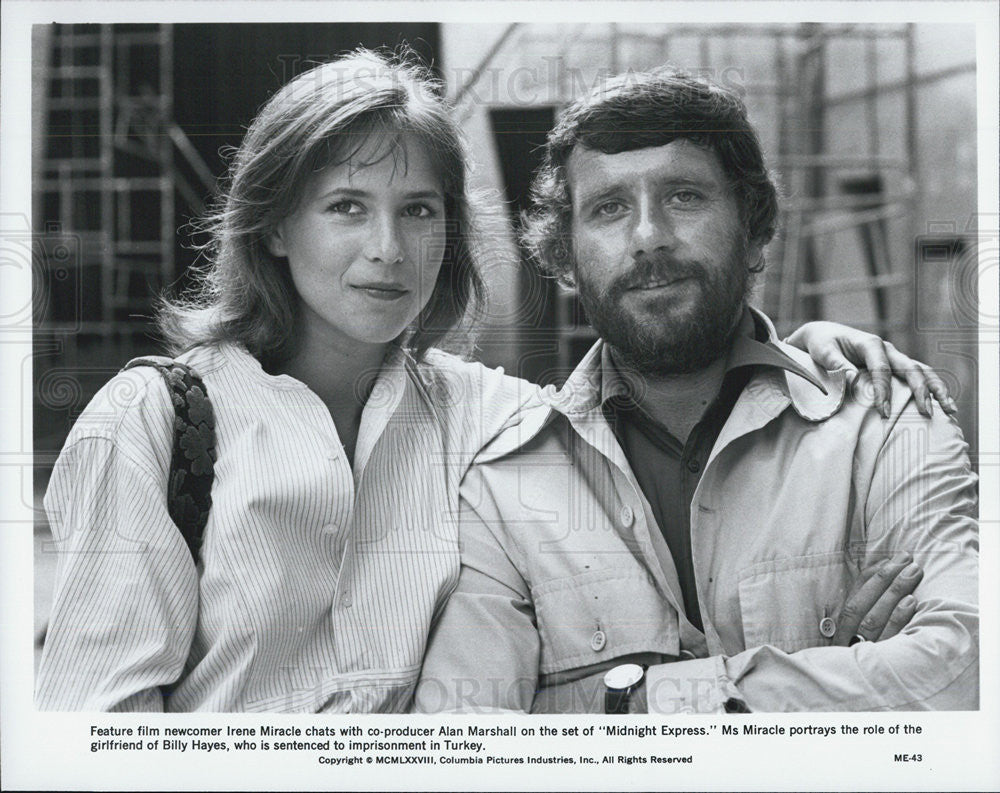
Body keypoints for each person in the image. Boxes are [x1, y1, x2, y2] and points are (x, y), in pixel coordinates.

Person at [36, 51, 950, 713]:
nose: (388, 248)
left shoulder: (491, 419)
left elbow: (633, 386)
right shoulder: (158, 424)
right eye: (346, 207)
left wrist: (805, 349)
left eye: (418, 210)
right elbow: (96, 735)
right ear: (273, 226)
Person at [414, 66, 978, 713]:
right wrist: (843, 683)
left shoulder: (888, 425)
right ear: (565, 257)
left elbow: (967, 671)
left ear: (754, 229)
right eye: (609, 207)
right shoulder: (503, 485)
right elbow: (466, 737)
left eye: (683, 196)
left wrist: (630, 703)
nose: (648, 237)